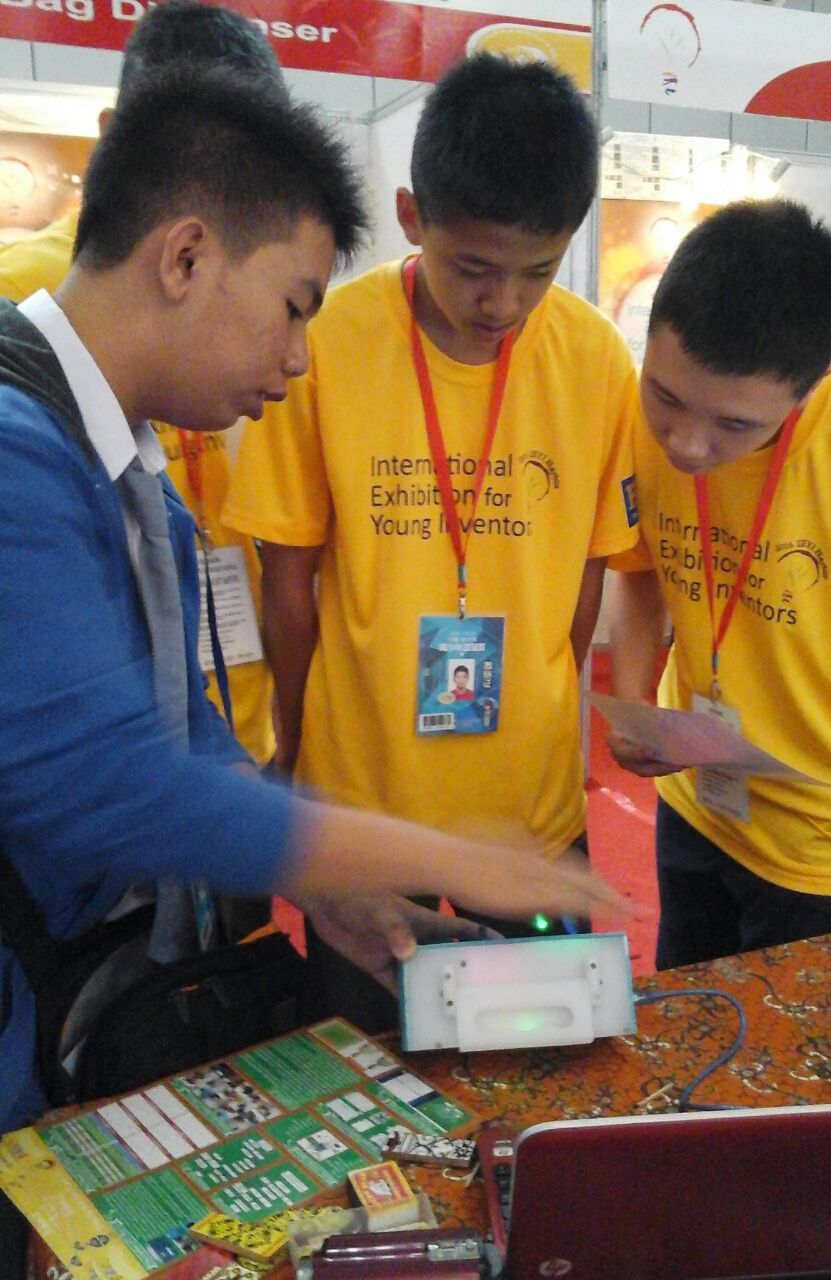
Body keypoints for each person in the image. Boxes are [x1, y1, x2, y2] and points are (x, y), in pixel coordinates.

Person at [0, 62, 629, 1143]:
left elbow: (180, 727)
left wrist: (330, 886)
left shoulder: (123, 467)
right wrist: (429, 854)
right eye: (293, 309)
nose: (296, 362)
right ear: (186, 256)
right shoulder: (18, 459)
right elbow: (106, 781)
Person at [222, 53, 640, 1023]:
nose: (504, 304)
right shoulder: (325, 343)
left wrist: (554, 712)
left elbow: (587, 573)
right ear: (412, 217)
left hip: (527, 812)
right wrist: (297, 740)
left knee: (534, 1055)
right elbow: (288, 579)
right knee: (368, 1059)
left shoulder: (590, 358)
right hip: (364, 806)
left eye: (539, 272)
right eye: (475, 269)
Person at [607, 198, 831, 970]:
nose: (686, 444)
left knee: (788, 1038)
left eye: (735, 426)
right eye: (666, 398)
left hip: (822, 836)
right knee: (684, 1010)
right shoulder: (637, 421)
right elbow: (640, 569)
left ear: (811, 386)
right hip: (693, 795)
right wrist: (634, 700)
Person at [0, 0, 281, 764]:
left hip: (221, 697)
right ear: (112, 136)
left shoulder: (250, 288)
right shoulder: (26, 295)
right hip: (99, 727)